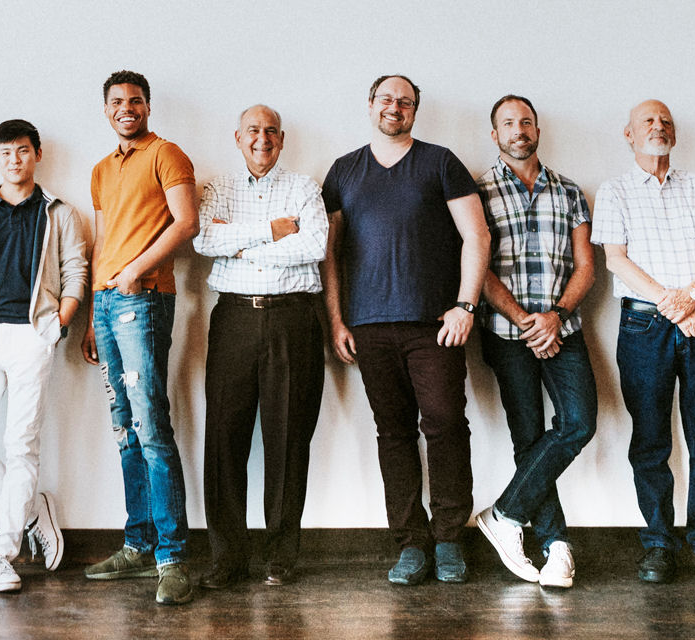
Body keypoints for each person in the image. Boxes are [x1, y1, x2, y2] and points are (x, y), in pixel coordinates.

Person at [320, 74, 490, 585]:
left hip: (434, 325)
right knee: (392, 433)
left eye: (406, 102)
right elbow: (330, 255)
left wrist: (466, 306)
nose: (395, 107)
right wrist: (336, 320)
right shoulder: (343, 171)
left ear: (416, 110)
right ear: (370, 104)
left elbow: (476, 236)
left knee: (444, 426)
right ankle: (410, 543)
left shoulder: (440, 162)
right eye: (387, 99)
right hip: (369, 328)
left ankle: (449, 539)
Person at [592, 99, 695, 587]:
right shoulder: (614, 191)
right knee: (651, 439)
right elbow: (615, 260)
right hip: (644, 328)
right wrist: (674, 306)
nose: (657, 128)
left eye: (665, 123)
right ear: (629, 134)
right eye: (647, 122)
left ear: (674, 137)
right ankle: (658, 543)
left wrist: (693, 297)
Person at [0, 119, 88, 593]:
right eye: (6, 153)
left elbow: (75, 273)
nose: (14, 160)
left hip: (33, 337)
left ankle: (2, 554)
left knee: (20, 444)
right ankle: (31, 507)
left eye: (22, 151)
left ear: (36, 154)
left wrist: (58, 326)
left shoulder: (59, 212)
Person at [78, 70, 202, 605]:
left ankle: (172, 558)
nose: (126, 108)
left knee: (152, 427)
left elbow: (187, 222)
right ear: (106, 110)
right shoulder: (102, 170)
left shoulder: (167, 153)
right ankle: (138, 543)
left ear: (148, 106)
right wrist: (90, 314)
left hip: (145, 299)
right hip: (107, 307)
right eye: (116, 102)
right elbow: (102, 240)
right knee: (124, 428)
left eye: (135, 100)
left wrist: (134, 272)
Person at [192, 105, 328, 589]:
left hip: (294, 318)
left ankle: (280, 557)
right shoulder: (217, 189)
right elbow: (205, 241)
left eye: (270, 131)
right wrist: (270, 232)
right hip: (232, 320)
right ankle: (227, 559)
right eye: (253, 130)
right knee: (223, 440)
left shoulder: (305, 188)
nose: (261, 139)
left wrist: (241, 247)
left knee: (288, 440)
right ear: (237, 137)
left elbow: (313, 247)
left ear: (282, 139)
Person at [467, 95, 598, 589]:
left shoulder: (569, 191)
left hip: (564, 329)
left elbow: (586, 266)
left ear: (538, 130)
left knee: (578, 423)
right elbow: (477, 269)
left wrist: (555, 317)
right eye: (507, 123)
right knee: (529, 439)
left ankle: (503, 516)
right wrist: (527, 322)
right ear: (494, 133)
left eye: (526, 121)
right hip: (506, 334)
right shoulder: (475, 192)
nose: (518, 129)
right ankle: (557, 548)